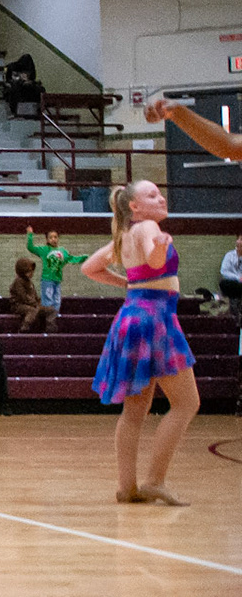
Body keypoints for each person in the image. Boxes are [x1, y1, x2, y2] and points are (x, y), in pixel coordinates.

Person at [82, 181, 198, 505]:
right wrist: (158, 248)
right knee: (186, 403)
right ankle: (154, 481)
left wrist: (129, 282)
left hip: (131, 316)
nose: (160, 198)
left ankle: (127, 487)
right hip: (155, 318)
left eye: (159, 193)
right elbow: (155, 259)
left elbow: (89, 268)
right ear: (134, 206)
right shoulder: (147, 227)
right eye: (151, 195)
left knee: (134, 411)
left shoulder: (124, 235)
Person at [26, 225, 84, 313]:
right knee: (48, 299)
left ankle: (55, 315)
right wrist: (30, 235)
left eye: (55, 237)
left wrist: (85, 258)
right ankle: (47, 316)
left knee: (57, 300)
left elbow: (72, 258)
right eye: (51, 237)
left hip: (57, 279)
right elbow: (31, 248)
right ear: (47, 240)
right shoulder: (44, 250)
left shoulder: (63, 251)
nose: (53, 239)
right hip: (47, 279)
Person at [9, 256, 57, 334]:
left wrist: (40, 302)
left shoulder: (29, 282)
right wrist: (35, 304)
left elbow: (34, 296)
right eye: (28, 271)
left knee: (50, 309)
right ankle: (24, 328)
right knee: (32, 311)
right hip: (18, 305)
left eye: (32, 271)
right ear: (23, 271)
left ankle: (50, 329)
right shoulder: (18, 282)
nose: (31, 273)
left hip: (32, 304)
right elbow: (24, 297)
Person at [3, 53, 42, 118]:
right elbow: (9, 80)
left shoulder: (31, 78)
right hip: (15, 88)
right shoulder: (12, 68)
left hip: (26, 90)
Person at [221, 234, 242, 303]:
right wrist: (238, 278)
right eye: (240, 239)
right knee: (223, 283)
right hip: (233, 282)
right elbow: (224, 271)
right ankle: (234, 302)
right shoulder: (229, 255)